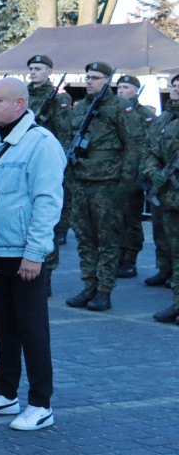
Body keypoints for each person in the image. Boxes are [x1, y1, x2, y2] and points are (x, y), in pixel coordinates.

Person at [0, 77, 64, 431]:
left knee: (32, 329)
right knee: (4, 327)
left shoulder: (41, 144)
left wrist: (35, 254)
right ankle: (5, 393)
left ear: (19, 105)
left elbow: (47, 202)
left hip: (23, 254)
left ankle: (41, 403)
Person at [65, 62, 140, 312]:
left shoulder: (120, 107)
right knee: (84, 239)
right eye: (87, 77)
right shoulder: (82, 107)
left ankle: (104, 290)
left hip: (107, 184)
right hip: (81, 181)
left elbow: (133, 147)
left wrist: (124, 185)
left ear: (108, 81)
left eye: (95, 78)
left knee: (107, 240)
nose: (89, 81)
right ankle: (89, 286)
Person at [27, 54, 73, 295]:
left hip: (45, 159)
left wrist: (60, 162)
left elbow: (65, 132)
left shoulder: (58, 98)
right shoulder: (22, 94)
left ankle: (47, 273)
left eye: (38, 69)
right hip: (22, 159)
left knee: (46, 219)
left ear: (49, 72)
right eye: (31, 69)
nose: (33, 72)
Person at [115, 74, 155, 279]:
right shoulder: (114, 110)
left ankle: (130, 260)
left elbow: (150, 145)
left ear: (136, 91)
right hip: (114, 174)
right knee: (115, 219)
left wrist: (142, 174)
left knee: (131, 219)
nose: (121, 91)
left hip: (134, 174)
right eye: (119, 87)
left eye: (126, 87)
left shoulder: (144, 114)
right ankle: (118, 257)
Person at [145, 74, 179, 288]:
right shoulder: (163, 118)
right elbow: (150, 148)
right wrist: (150, 171)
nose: (176, 89)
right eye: (174, 86)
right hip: (163, 188)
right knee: (160, 231)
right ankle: (164, 269)